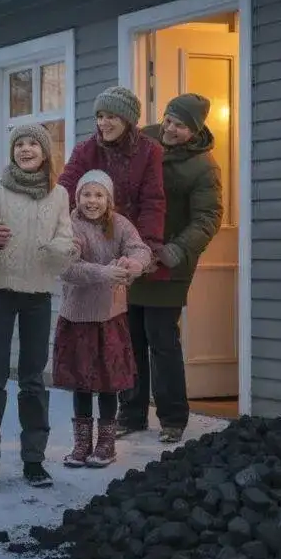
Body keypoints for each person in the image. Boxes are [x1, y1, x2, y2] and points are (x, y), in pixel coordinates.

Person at [0, 123, 76, 493]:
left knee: (32, 379)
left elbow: (67, 240)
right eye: (19, 144)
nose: (26, 149)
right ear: (12, 151)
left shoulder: (58, 194)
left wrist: (62, 249)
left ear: (45, 153)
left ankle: (34, 461)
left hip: (38, 296)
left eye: (33, 144)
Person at [118, 93, 223, 443]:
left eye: (180, 125)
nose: (171, 129)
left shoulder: (203, 166)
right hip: (134, 256)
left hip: (169, 262)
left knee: (161, 338)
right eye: (168, 120)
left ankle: (173, 418)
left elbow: (208, 217)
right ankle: (131, 414)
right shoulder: (142, 141)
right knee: (130, 336)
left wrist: (175, 250)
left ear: (195, 130)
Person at [53, 170, 151, 467]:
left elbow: (141, 249)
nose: (91, 201)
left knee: (108, 383)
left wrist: (134, 264)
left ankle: (105, 443)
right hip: (77, 316)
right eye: (86, 194)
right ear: (77, 197)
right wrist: (103, 272)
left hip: (110, 316)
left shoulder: (120, 225)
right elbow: (67, 267)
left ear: (108, 199)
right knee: (82, 383)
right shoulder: (68, 225)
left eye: (98, 195)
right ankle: (82, 443)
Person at [57, 85, 166, 284]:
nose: (103, 123)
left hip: (131, 243)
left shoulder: (150, 151)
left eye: (111, 117)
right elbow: (63, 191)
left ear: (127, 120)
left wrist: (144, 252)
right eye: (100, 116)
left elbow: (152, 203)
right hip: (92, 243)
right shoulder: (85, 150)